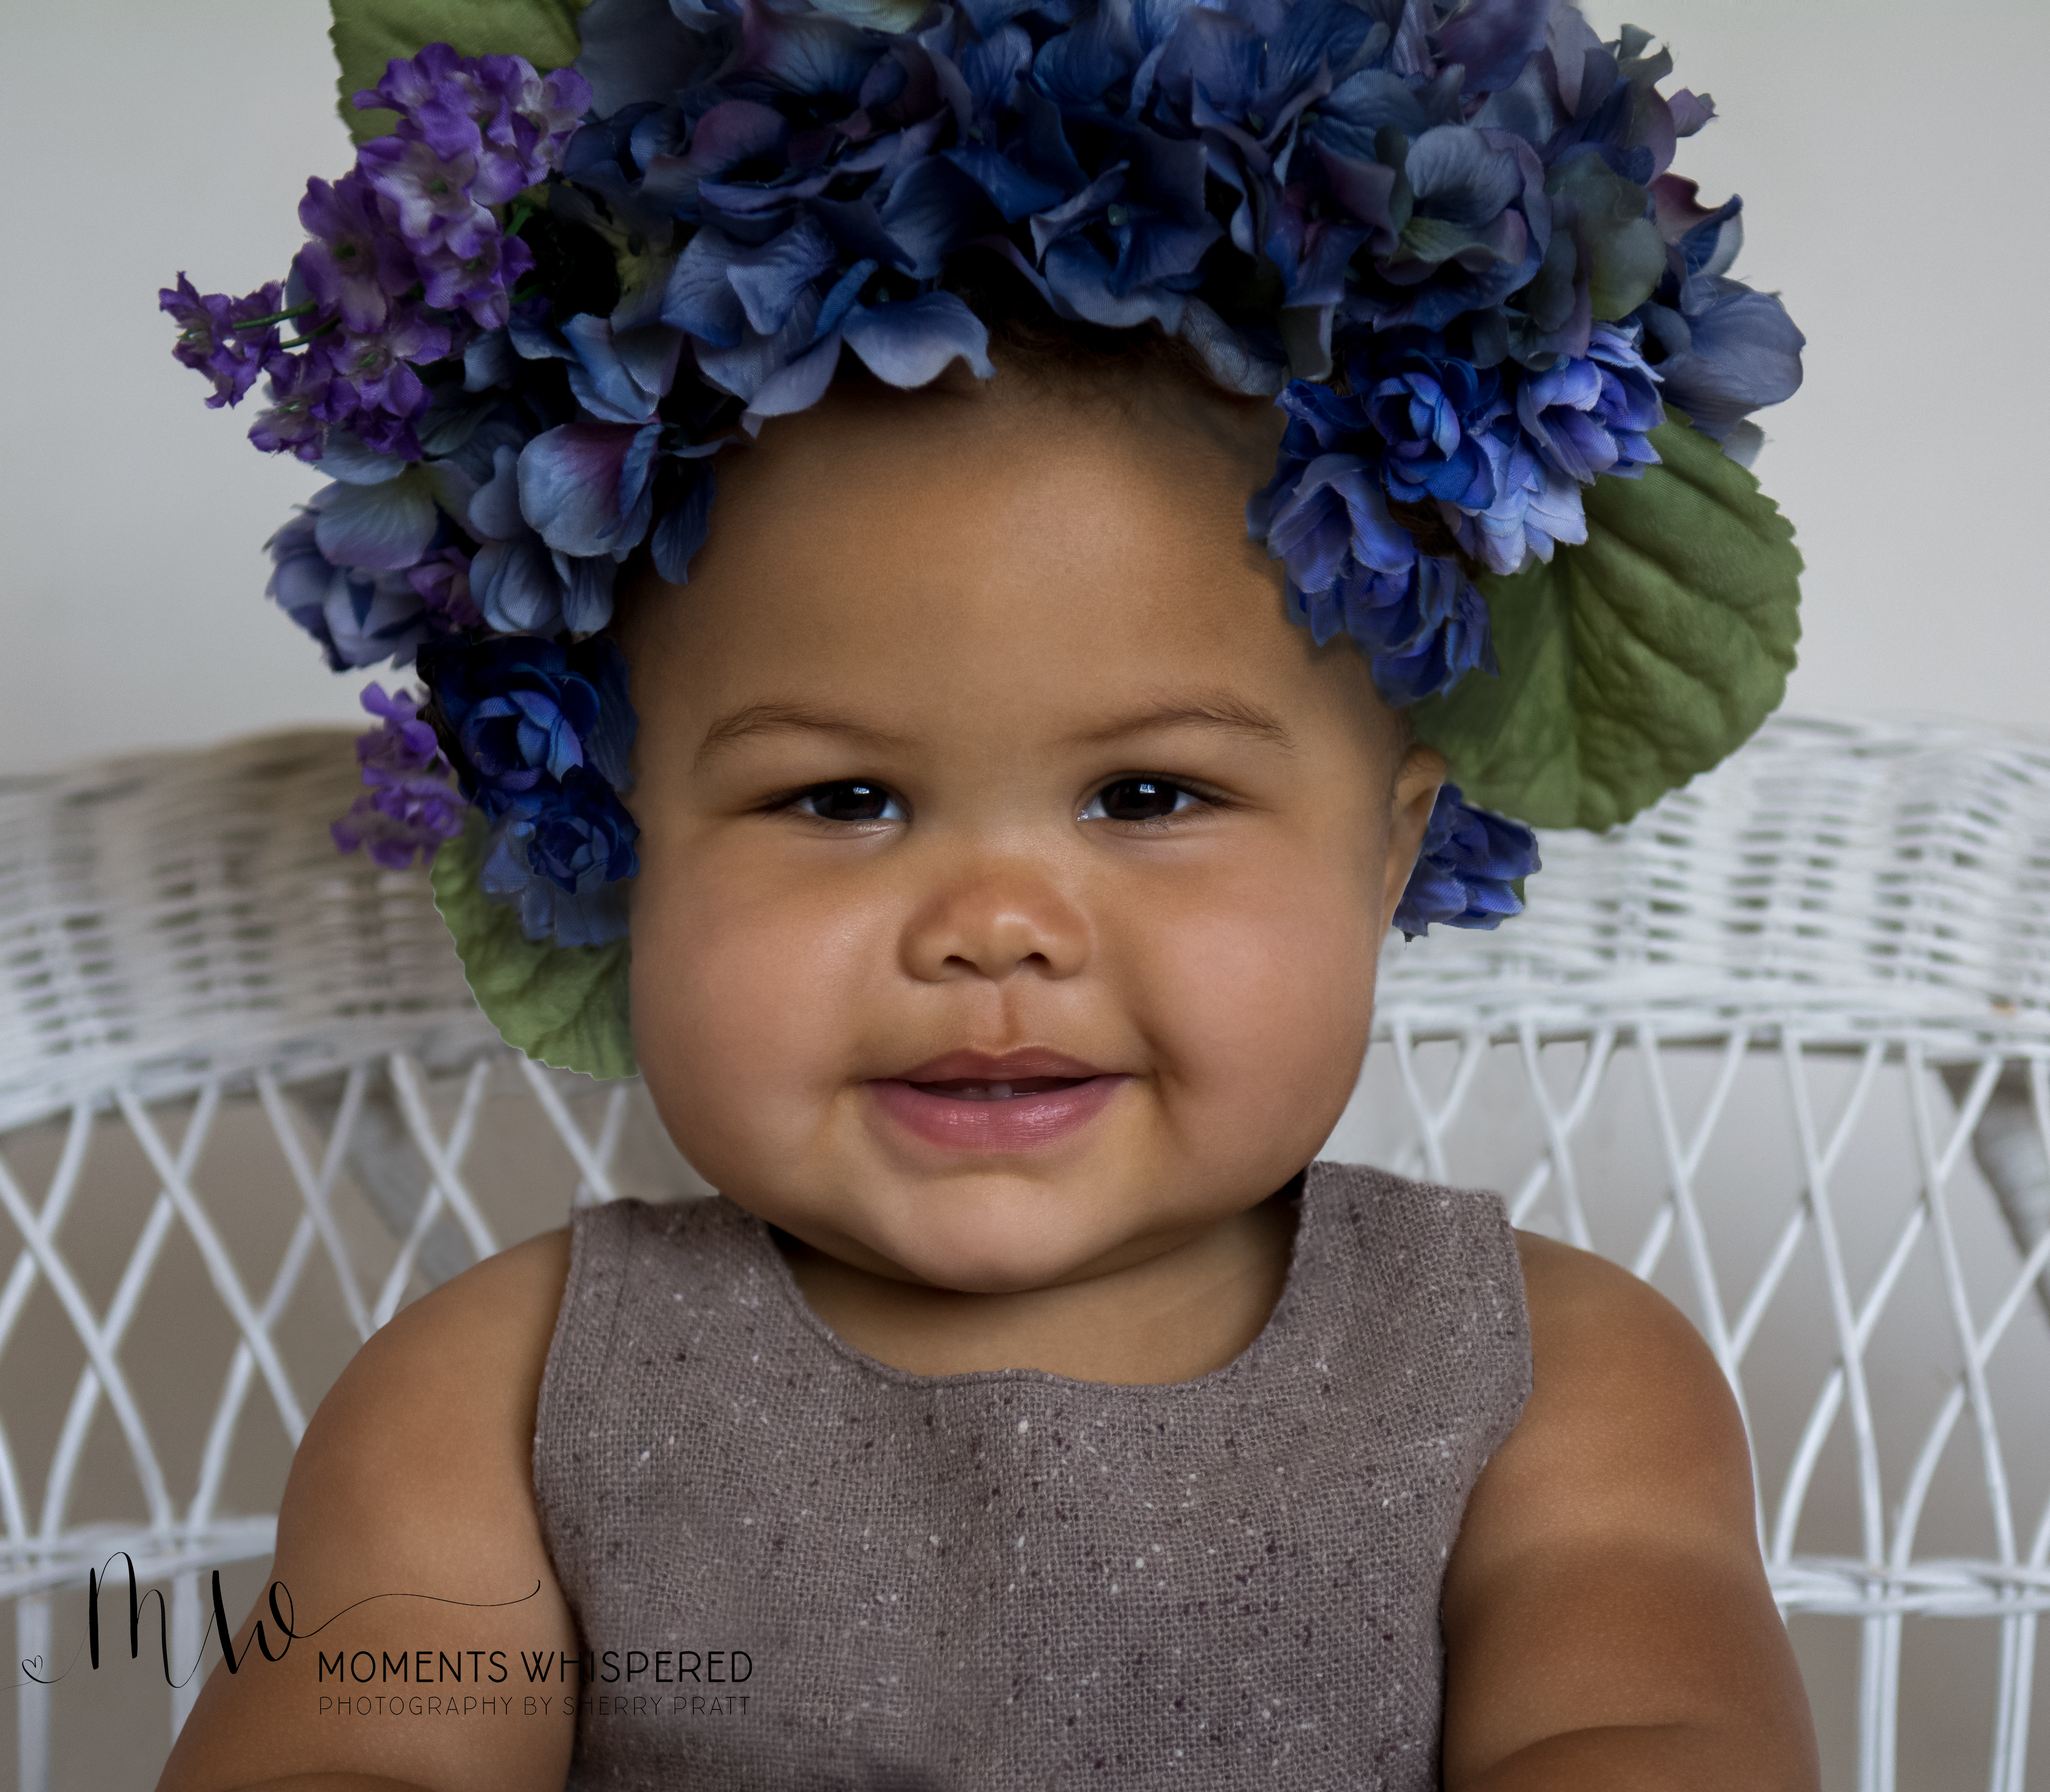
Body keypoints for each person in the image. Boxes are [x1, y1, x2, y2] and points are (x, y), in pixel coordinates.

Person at [155, 2, 1817, 1786]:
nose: (994, 924)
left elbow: (1649, 1737)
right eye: (840, 795)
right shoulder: (496, 1402)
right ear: (622, 831)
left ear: (1388, 847)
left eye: (1149, 792)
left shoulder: (1540, 1384)